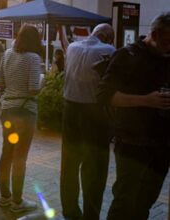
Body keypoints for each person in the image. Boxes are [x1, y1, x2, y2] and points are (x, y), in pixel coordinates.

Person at [98, 13, 170, 220]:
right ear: (154, 34)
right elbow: (104, 95)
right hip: (132, 144)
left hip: (162, 146)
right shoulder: (127, 56)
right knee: (124, 201)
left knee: (146, 200)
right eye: (167, 42)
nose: (169, 47)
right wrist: (146, 100)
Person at [60, 23, 115, 220]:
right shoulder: (109, 50)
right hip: (94, 113)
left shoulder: (73, 47)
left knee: (69, 165)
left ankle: (70, 211)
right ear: (109, 38)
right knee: (95, 168)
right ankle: (91, 216)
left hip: (70, 110)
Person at [0, 25, 42, 213]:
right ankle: (17, 201)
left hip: (7, 110)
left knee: (6, 153)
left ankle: (4, 197)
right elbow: (33, 89)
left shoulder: (7, 54)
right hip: (25, 112)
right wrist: (43, 82)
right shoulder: (33, 58)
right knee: (20, 157)